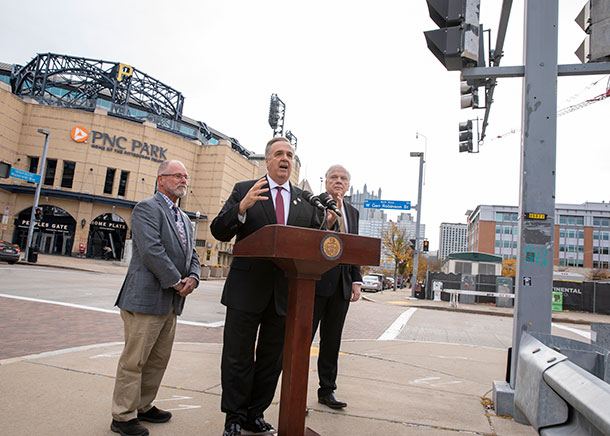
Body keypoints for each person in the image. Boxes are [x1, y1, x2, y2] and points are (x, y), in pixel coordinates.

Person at [211, 137, 320, 436]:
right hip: (246, 290)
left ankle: (254, 414)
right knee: (237, 356)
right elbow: (219, 230)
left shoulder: (304, 200)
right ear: (268, 161)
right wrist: (242, 208)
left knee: (272, 361)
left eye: (290, 155)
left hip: (284, 294)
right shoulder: (246, 189)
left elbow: (312, 242)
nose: (285, 159)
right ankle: (233, 417)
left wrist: (330, 225)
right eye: (279, 154)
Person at [110, 160, 201, 436]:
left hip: (171, 303)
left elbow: (192, 254)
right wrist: (176, 281)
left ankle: (143, 405)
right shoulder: (146, 209)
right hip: (145, 299)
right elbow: (151, 250)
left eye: (185, 176)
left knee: (158, 359)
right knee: (134, 360)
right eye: (177, 176)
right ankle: (123, 416)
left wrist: (194, 278)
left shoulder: (184, 218)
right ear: (160, 179)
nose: (183, 180)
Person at [312, 164, 362, 410]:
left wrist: (356, 280)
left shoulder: (353, 212)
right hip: (315, 282)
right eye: (334, 178)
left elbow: (353, 249)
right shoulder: (314, 204)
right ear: (326, 182)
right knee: (303, 339)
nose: (338, 182)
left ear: (348, 185)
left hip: (341, 286)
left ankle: (327, 390)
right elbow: (310, 239)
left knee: (332, 342)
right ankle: (296, 391)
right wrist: (328, 221)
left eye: (343, 179)